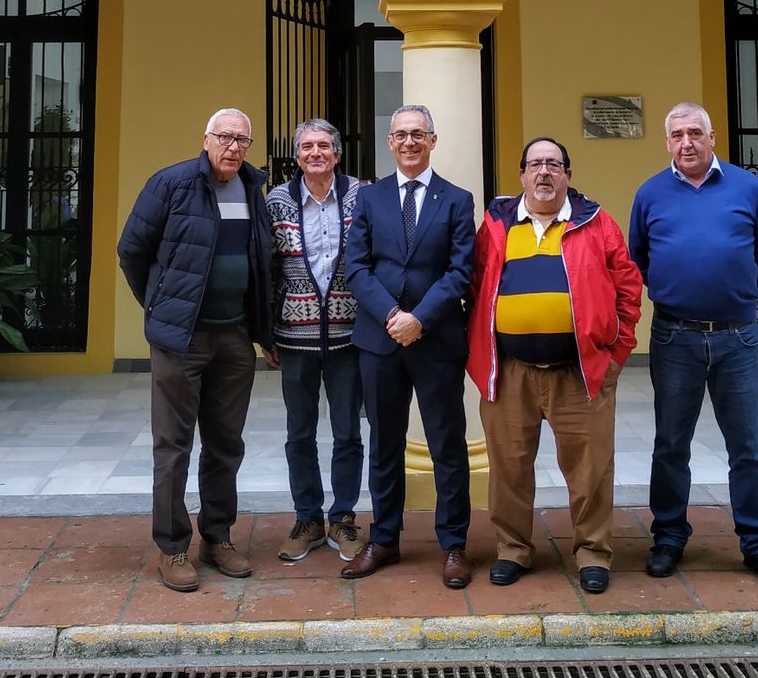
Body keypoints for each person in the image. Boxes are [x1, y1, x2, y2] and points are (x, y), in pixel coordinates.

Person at [468, 137, 642, 594]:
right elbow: (472, 282)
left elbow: (628, 287)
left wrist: (617, 353)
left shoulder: (596, 223)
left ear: (567, 173)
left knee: (590, 469)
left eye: (554, 164)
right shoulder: (496, 225)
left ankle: (593, 553)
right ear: (521, 174)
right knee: (508, 467)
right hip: (510, 371)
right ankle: (513, 549)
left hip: (580, 371)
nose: (544, 173)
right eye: (535, 165)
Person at [628, 101, 758, 588]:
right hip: (674, 334)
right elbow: (638, 259)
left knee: (747, 447)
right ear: (667, 142)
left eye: (695, 133)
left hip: (737, 336)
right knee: (670, 444)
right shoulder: (650, 194)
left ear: (712, 136)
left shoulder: (747, 187)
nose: (686, 143)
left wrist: (732, 295)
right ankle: (669, 537)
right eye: (676, 135)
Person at [117, 107, 275, 592]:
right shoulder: (172, 184)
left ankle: (218, 537)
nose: (233, 147)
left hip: (234, 336)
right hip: (181, 339)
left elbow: (261, 261)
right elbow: (131, 250)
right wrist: (163, 307)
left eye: (242, 140)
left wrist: (262, 331)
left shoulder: (253, 189)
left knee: (226, 444)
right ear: (205, 139)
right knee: (173, 447)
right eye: (224, 137)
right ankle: (171, 548)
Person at [339, 104, 477, 588]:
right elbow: (355, 267)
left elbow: (461, 271)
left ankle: (454, 543)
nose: (410, 142)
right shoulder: (370, 198)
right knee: (384, 442)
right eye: (401, 135)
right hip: (380, 339)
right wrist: (393, 316)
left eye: (419, 134)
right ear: (390, 143)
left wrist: (419, 318)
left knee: (447, 443)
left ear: (433, 141)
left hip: (436, 338)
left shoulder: (458, 199)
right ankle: (384, 539)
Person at [264, 118, 366, 563]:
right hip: (293, 336)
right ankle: (307, 518)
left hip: (350, 336)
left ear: (337, 154)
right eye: (307, 146)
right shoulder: (277, 201)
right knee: (298, 433)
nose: (315, 153)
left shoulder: (362, 197)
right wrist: (265, 330)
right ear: (297, 155)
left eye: (324, 145)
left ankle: (342, 517)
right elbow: (264, 268)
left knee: (347, 432)